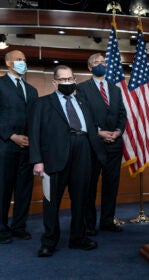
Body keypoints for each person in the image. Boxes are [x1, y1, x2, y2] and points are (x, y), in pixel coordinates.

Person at [29, 65, 106, 257]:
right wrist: (37, 161)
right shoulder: (42, 103)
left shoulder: (83, 102)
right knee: (51, 202)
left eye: (70, 79)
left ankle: (77, 238)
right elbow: (34, 134)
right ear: (55, 82)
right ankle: (49, 241)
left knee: (81, 199)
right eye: (63, 80)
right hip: (54, 156)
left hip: (83, 152)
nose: (67, 83)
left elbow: (91, 127)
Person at [77, 53, 127, 235]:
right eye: (96, 63)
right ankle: (89, 224)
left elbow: (122, 114)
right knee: (90, 186)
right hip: (93, 144)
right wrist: (98, 132)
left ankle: (107, 221)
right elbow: (83, 115)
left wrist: (118, 132)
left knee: (111, 185)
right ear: (89, 68)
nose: (100, 65)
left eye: (103, 62)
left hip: (114, 143)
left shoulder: (115, 89)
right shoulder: (82, 88)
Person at [0, 50, 38, 244]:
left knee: (24, 190)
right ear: (8, 63)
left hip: (27, 147)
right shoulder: (0, 84)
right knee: (3, 190)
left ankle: (19, 227)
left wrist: (32, 139)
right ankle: (1, 230)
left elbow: (35, 119)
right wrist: (11, 135)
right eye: (18, 60)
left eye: (24, 59)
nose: (23, 62)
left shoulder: (32, 90)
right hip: (5, 146)